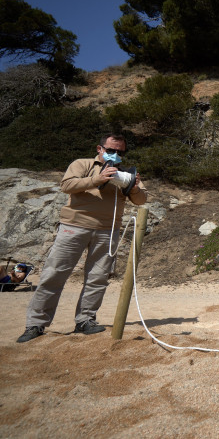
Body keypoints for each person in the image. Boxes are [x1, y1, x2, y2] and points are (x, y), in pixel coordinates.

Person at [17, 135, 147, 343]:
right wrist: (98, 179)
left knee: (98, 278)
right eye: (112, 150)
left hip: (107, 230)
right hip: (74, 227)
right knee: (54, 274)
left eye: (121, 152)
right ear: (99, 148)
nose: (116, 155)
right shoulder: (82, 164)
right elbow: (67, 185)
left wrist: (134, 188)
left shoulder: (125, 174)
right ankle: (35, 324)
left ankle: (85, 320)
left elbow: (141, 201)